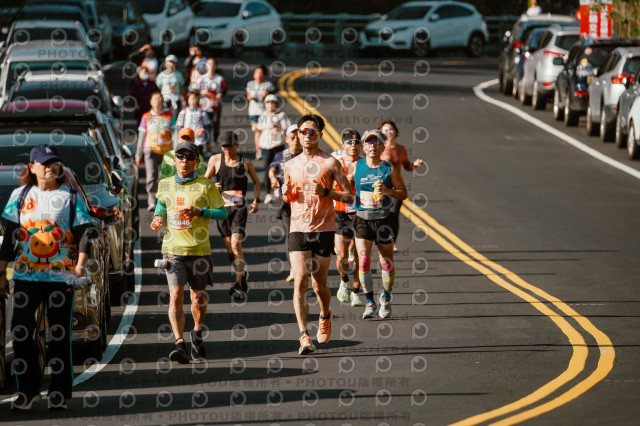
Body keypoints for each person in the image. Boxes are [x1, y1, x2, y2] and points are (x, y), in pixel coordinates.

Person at [0, 145, 95, 410]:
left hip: (60, 278)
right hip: (26, 275)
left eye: (54, 163)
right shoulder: (20, 195)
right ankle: (27, 389)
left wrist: (80, 266)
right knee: (21, 331)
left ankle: (59, 392)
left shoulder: (69, 196)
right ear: (32, 167)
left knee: (58, 334)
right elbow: (10, 236)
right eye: (44, 163)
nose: (50, 167)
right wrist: (1, 273)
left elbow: (84, 233)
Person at [281, 114, 353, 355]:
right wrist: (286, 194)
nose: (306, 136)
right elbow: (288, 197)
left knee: (318, 284)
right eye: (303, 131)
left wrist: (326, 192)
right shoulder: (290, 165)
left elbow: (349, 197)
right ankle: (304, 335)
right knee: (300, 280)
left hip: (324, 228)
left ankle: (325, 314)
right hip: (298, 229)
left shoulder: (330, 163)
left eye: (312, 132)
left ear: (320, 135)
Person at [150, 140, 227, 363]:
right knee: (175, 295)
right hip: (172, 249)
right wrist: (157, 218)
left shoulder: (206, 185)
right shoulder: (165, 184)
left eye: (189, 157)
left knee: (197, 297)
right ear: (174, 160)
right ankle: (179, 344)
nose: (184, 161)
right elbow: (161, 206)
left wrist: (200, 211)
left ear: (197, 162)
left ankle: (197, 332)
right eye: (181, 156)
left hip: (199, 250)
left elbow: (222, 213)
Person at [351, 130, 408, 320]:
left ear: (383, 147)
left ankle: (385, 296)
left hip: (384, 219)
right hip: (362, 219)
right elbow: (344, 187)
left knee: (386, 262)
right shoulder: (356, 166)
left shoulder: (389, 169)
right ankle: (369, 303)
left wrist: (387, 190)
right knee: (363, 260)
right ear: (363, 147)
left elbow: (403, 193)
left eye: (377, 143)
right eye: (369, 142)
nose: (373, 146)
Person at [204, 131, 261, 300]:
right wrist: (212, 186)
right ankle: (242, 273)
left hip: (239, 208)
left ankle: (238, 283)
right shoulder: (215, 160)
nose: (227, 150)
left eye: (230, 146)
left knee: (236, 244)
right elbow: (204, 182)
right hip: (221, 208)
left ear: (236, 145)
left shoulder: (245, 162)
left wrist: (256, 200)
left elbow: (257, 182)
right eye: (224, 147)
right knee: (230, 250)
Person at [378, 120, 424, 252]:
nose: (389, 132)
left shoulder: (400, 149)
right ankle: (381, 240)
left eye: (391, 129)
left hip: (397, 187)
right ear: (381, 132)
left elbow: (407, 166)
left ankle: (392, 242)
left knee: (393, 215)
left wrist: (415, 165)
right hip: (380, 187)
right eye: (385, 130)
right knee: (381, 215)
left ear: (395, 132)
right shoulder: (378, 147)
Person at [332, 129, 364, 307]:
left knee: (361, 257)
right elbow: (328, 189)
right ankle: (344, 280)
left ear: (361, 146)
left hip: (362, 214)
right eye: (349, 143)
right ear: (342, 146)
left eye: (356, 142)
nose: (353, 145)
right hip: (341, 213)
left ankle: (356, 292)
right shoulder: (336, 164)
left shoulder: (367, 164)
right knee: (342, 256)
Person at [267, 124, 301, 282]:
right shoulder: (281, 155)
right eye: (292, 137)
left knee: (304, 234)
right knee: (290, 234)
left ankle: (305, 264)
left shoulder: (306, 155)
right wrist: (273, 178)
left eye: (298, 137)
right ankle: (294, 268)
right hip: (286, 201)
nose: (295, 140)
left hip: (303, 201)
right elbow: (272, 169)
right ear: (287, 139)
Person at [135, 92, 173, 211]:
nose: (157, 101)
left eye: (160, 99)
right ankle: (152, 201)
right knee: (151, 176)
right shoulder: (146, 116)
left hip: (166, 152)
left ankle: (164, 201)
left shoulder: (169, 116)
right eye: (155, 99)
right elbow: (141, 136)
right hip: (150, 151)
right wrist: (138, 154)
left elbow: (175, 133)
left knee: (165, 177)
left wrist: (176, 150)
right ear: (150, 102)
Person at [256, 94, 290, 192]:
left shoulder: (281, 115)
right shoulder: (263, 116)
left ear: (277, 104)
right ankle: (268, 192)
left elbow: (287, 129)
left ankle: (279, 190)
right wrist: (258, 147)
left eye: (272, 103)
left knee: (280, 168)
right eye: (268, 103)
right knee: (267, 168)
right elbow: (258, 131)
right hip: (266, 147)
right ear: (265, 104)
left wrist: (278, 127)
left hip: (278, 146)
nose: (270, 105)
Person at [246, 65, 276, 160]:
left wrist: (268, 94)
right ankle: (258, 151)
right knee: (257, 131)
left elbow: (274, 96)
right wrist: (250, 97)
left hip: (265, 112)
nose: (258, 75)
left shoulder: (268, 85)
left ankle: (266, 149)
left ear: (265, 75)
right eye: (256, 72)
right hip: (254, 112)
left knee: (265, 130)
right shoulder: (250, 84)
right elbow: (248, 95)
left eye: (260, 73)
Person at [199, 57, 227, 145]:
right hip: (204, 105)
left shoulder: (220, 78)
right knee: (206, 125)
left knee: (215, 124)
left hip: (216, 105)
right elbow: (194, 90)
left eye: (213, 64)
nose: (211, 66)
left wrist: (220, 94)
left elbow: (224, 89)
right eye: (209, 64)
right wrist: (201, 92)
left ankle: (215, 139)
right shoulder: (201, 78)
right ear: (205, 66)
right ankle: (207, 142)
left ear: (216, 66)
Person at [175, 91, 211, 156]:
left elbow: (207, 127)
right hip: (187, 140)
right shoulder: (183, 112)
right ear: (188, 100)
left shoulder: (202, 112)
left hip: (199, 140)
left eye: (195, 98)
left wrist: (208, 142)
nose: (193, 100)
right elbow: (178, 128)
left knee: (199, 157)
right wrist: (178, 142)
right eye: (191, 98)